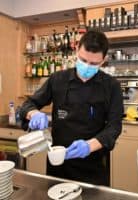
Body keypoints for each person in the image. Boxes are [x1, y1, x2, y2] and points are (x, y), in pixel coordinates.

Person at [20, 30, 123, 186]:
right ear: (76, 50)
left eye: (94, 63)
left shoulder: (112, 86)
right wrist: (33, 114)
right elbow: (28, 104)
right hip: (58, 165)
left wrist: (89, 146)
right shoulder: (57, 79)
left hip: (92, 166)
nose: (87, 66)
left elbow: (114, 126)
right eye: (83, 60)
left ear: (104, 61)